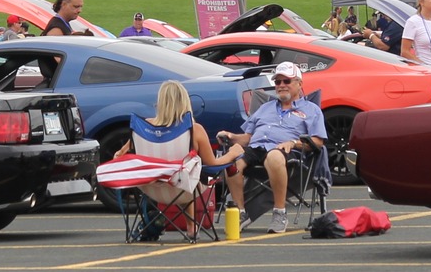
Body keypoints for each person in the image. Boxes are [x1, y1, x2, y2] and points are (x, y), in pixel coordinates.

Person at [112, 80, 244, 230]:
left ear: (160, 102)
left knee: (182, 172)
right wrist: (233, 153)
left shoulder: (143, 128)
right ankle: (191, 228)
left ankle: (191, 226)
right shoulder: (194, 129)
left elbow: (119, 156)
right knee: (188, 172)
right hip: (184, 187)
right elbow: (212, 164)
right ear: (185, 102)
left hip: (150, 188)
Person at [218, 62, 326, 234]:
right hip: (256, 147)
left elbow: (318, 142)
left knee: (274, 156)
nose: (281, 85)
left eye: (286, 81)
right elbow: (248, 137)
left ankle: (279, 213)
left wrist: (294, 142)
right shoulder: (265, 107)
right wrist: (231, 136)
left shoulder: (311, 110)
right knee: (231, 160)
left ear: (299, 84)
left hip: (288, 152)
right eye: (277, 82)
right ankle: (241, 212)